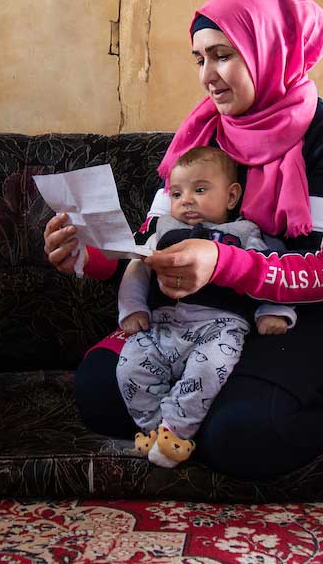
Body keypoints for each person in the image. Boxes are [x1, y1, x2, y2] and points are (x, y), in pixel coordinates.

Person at [45, 0, 323, 480]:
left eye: (222, 56)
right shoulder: (203, 131)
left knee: (241, 437)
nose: (207, 76)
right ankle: (209, 408)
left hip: (307, 315)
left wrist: (220, 261)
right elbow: (155, 239)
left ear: (270, 50)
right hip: (206, 315)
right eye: (199, 59)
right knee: (99, 391)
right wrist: (89, 254)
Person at [116, 146, 296, 468]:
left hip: (220, 326)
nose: (186, 200)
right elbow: (137, 267)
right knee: (129, 365)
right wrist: (132, 308)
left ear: (231, 196)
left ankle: (177, 432)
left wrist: (270, 311)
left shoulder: (243, 233)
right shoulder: (163, 230)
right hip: (164, 324)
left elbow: (268, 270)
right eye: (176, 193)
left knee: (207, 369)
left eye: (200, 190)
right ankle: (156, 430)